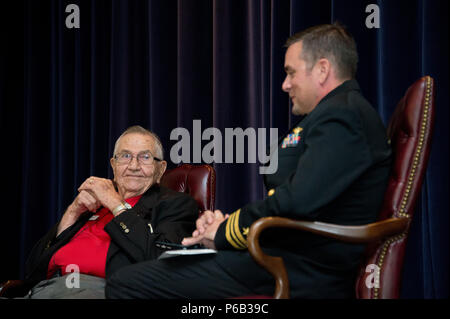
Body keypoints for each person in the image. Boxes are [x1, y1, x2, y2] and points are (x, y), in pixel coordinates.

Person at [105, 23, 392, 299]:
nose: (285, 84)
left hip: (297, 267)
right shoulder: (335, 115)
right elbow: (303, 199)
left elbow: (296, 202)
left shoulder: (342, 116)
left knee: (126, 284)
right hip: (280, 255)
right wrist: (228, 226)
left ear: (322, 69)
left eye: (291, 73)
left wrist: (225, 232)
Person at [19, 125, 198, 298]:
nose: (134, 166)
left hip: (96, 290)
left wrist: (115, 204)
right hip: (45, 288)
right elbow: (34, 265)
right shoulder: (93, 202)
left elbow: (163, 259)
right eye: (125, 156)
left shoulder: (176, 204)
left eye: (145, 157)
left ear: (161, 168)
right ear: (114, 164)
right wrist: (73, 211)